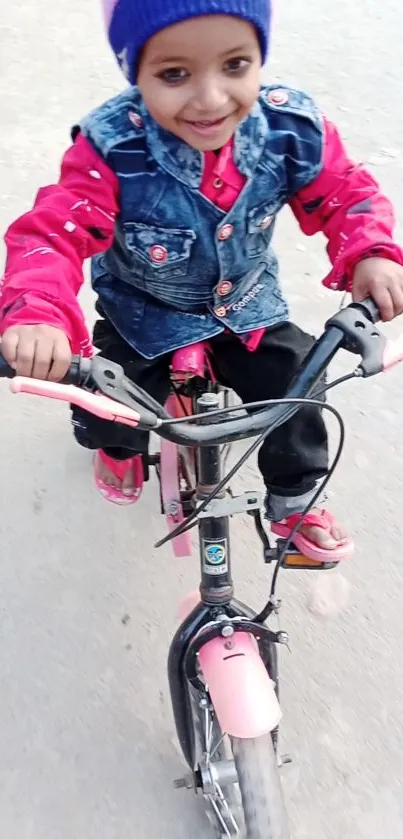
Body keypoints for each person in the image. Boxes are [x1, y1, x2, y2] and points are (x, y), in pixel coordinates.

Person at [1, 0, 403, 561]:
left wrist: (372, 252)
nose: (211, 99)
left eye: (235, 65)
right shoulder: (111, 148)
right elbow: (54, 230)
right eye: (173, 74)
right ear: (134, 71)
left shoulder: (292, 129)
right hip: (142, 313)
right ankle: (116, 449)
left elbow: (347, 192)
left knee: (300, 385)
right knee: (103, 401)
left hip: (247, 306)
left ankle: (294, 498)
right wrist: (38, 310)